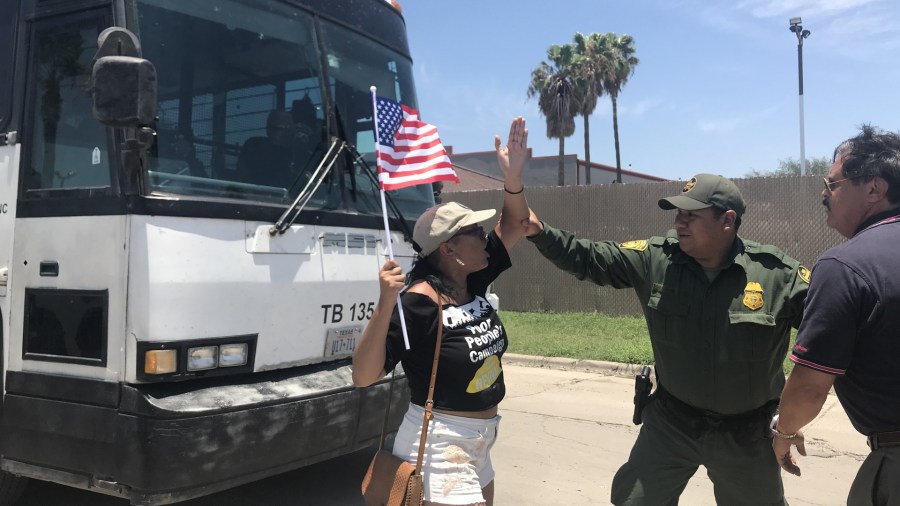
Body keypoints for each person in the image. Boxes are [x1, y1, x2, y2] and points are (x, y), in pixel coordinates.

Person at [522, 174, 810, 505]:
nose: (679, 223)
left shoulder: (777, 276)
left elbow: (828, 345)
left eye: (691, 215)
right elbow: (588, 258)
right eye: (677, 214)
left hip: (747, 434)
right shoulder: (656, 259)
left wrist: (791, 418)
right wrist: (538, 231)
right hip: (673, 424)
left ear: (727, 220)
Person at [352, 117, 530, 506]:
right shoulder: (419, 302)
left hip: (481, 443)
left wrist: (513, 177)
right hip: (438, 446)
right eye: (475, 233)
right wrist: (385, 304)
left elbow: (516, 221)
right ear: (447, 249)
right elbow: (363, 376)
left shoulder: (473, 279)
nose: (486, 238)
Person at [772, 125, 900, 506]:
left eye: (833, 185)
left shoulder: (845, 266)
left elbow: (810, 386)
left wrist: (785, 430)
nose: (823, 196)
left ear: (875, 189)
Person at [236, 110, 297, 187]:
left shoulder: (297, 151)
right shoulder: (255, 147)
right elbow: (245, 180)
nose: (288, 131)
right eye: (282, 127)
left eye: (290, 127)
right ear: (268, 129)